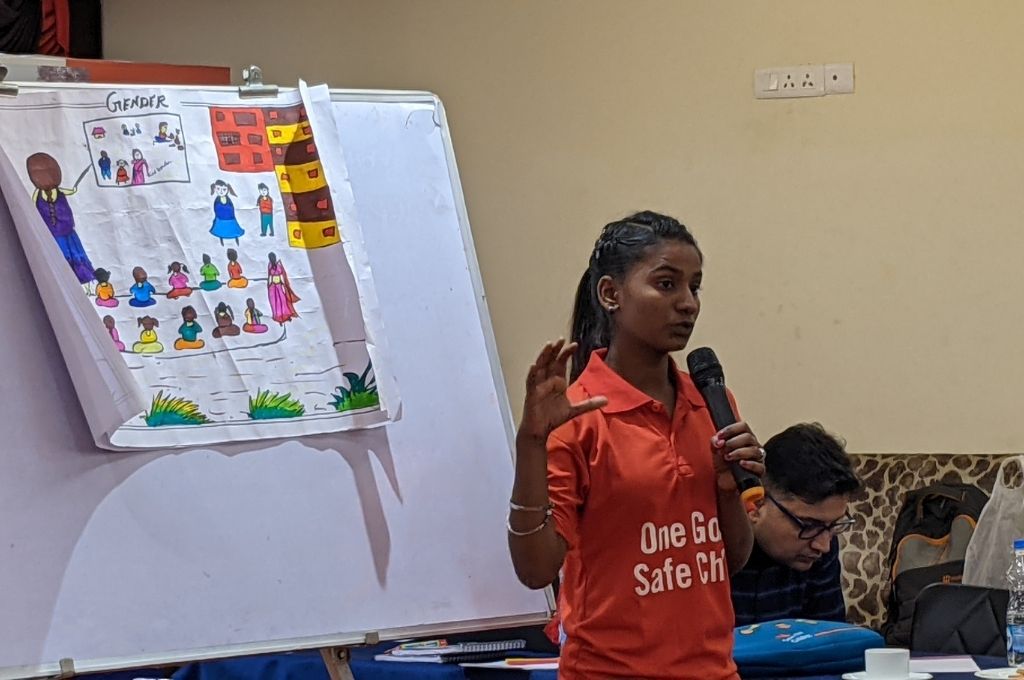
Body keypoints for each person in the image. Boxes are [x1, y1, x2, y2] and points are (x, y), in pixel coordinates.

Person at [508, 211, 765, 679]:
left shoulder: (713, 401)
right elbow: (535, 570)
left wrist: (729, 491)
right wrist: (531, 444)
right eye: (667, 285)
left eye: (695, 287)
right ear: (611, 294)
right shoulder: (578, 415)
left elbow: (732, 559)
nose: (688, 303)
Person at [730, 423, 861, 626]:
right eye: (809, 525)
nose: (823, 546)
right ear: (756, 504)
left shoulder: (820, 546)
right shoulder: (710, 549)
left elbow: (827, 642)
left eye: (834, 526)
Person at [26, 152, 95, 291]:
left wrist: (74, 189)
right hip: (52, 234)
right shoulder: (38, 194)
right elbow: (31, 206)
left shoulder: (59, 191)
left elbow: (71, 191)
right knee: (61, 256)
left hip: (67, 231)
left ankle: (83, 282)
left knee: (75, 255)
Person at [266, 252, 299, 324]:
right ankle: (279, 317)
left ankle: (287, 315)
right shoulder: (270, 265)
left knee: (283, 300)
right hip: (273, 286)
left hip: (279, 285)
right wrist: (269, 284)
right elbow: (270, 276)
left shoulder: (278, 265)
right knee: (275, 302)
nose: (272, 259)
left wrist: (283, 283)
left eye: (273, 258)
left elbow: (281, 274)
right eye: (271, 258)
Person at [209, 180, 244, 246]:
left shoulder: (228, 199)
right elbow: (215, 209)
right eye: (218, 189)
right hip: (220, 219)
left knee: (234, 232)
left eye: (224, 189)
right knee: (220, 232)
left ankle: (236, 241)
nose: (221, 191)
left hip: (230, 219)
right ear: (215, 189)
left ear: (227, 190)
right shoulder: (217, 200)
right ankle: (222, 242)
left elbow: (231, 209)